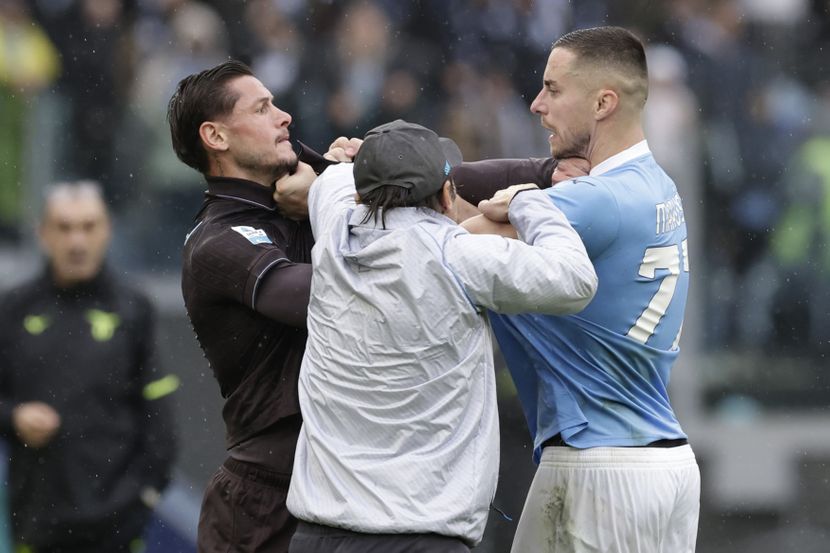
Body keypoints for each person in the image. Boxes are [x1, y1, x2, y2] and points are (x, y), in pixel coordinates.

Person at [282, 119, 597, 553]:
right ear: (448, 197)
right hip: (422, 536)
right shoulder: (459, 254)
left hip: (317, 538)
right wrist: (529, 201)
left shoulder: (334, 226)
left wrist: (340, 162)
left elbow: (330, 180)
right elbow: (576, 279)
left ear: (358, 195)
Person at [454, 26, 700, 553]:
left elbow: (444, 246)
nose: (537, 105)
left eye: (553, 89)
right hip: (658, 459)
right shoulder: (656, 185)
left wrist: (352, 188)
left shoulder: (594, 202)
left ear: (603, 103)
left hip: (602, 467)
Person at [167, 60, 339, 553]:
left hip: (344, 485)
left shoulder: (303, 181)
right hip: (265, 501)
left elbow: (437, 180)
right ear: (215, 137)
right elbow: (321, 298)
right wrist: (336, 198)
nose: (284, 116)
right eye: (262, 109)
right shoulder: (216, 241)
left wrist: (543, 176)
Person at [0, 180, 177, 553]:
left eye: (88, 226)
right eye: (64, 227)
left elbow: (160, 425)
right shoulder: (14, 308)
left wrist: (142, 498)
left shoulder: (134, 308)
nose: (77, 241)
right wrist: (14, 417)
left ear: (107, 230)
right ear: (43, 233)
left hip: (116, 531)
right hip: (36, 526)